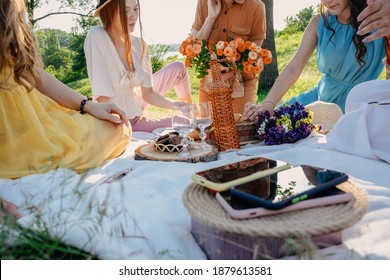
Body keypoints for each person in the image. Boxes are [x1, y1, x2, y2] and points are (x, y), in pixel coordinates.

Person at [0, 0, 130, 179]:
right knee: (117, 130)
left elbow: (32, 73)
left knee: (117, 127)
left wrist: (87, 105)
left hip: (32, 113)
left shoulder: (11, 8)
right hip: (12, 128)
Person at [243, 0, 385, 121]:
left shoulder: (381, 22)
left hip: (358, 108)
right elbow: (293, 68)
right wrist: (269, 104)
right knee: (269, 127)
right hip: (317, 102)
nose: (327, 1)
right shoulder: (320, 22)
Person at [84, 0, 191, 133]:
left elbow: (148, 94)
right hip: (126, 122)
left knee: (179, 67)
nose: (133, 16)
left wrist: (175, 105)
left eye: (135, 9)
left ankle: (191, 112)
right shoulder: (97, 36)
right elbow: (103, 98)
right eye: (126, 10)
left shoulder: (140, 45)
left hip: (137, 101)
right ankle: (192, 122)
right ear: (109, 11)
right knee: (185, 124)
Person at [191, 0, 267, 114]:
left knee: (240, 128)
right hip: (210, 81)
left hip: (243, 83)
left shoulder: (256, 7)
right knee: (206, 129)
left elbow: (253, 57)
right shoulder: (204, 2)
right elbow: (195, 48)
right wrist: (211, 18)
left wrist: (228, 73)